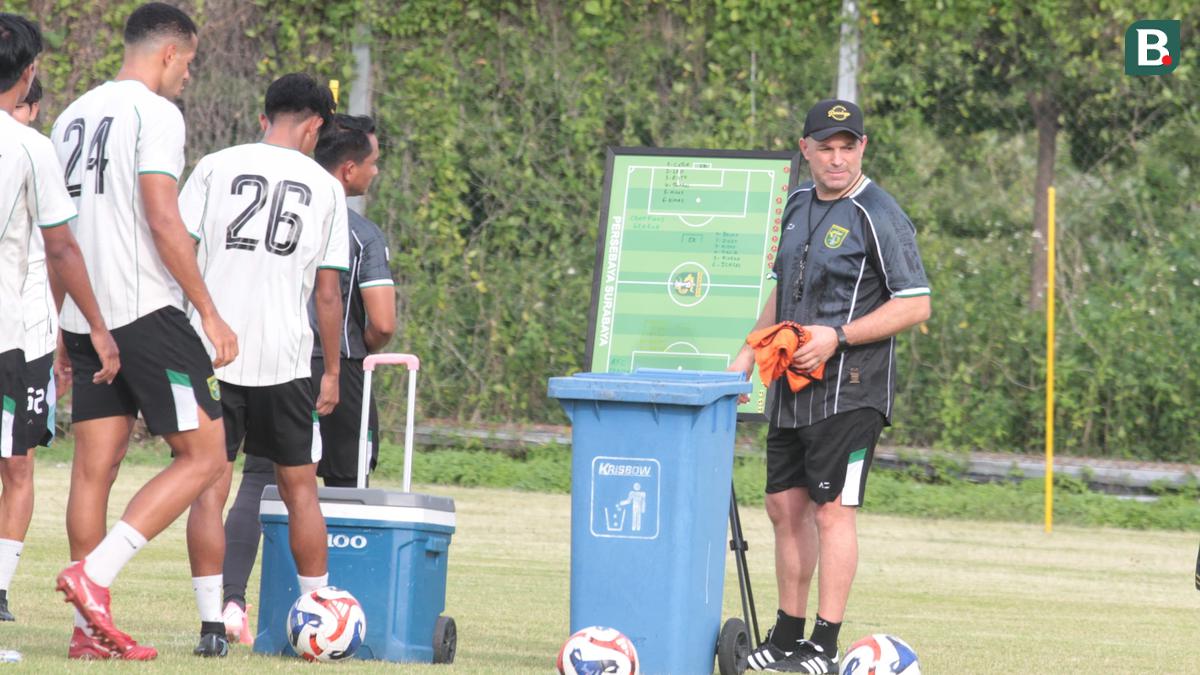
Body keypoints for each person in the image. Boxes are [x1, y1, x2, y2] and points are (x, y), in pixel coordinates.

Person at [49, 2, 238, 661]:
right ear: (168, 54)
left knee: (92, 470)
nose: (188, 75)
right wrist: (208, 309)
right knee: (207, 455)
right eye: (188, 62)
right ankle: (92, 577)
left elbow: (59, 235)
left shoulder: (70, 116)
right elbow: (162, 218)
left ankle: (87, 632)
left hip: (84, 315)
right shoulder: (156, 113)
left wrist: (61, 325)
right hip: (144, 313)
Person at [730, 99, 931, 674]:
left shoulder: (879, 212)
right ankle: (786, 635)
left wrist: (838, 336)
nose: (837, 158)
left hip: (853, 391)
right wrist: (748, 348)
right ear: (806, 151)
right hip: (791, 388)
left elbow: (916, 305)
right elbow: (782, 288)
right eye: (826, 147)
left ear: (862, 148)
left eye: (848, 146)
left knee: (831, 512)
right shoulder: (796, 204)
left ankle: (823, 643)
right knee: (783, 506)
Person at [178, 73, 348, 657]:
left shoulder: (213, 166)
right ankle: (321, 615)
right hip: (284, 359)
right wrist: (330, 372)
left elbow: (178, 248)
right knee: (300, 489)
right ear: (316, 126)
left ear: (262, 117)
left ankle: (209, 628)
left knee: (209, 487)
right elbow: (328, 293)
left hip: (211, 351)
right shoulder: (326, 189)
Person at [218, 112, 393, 645]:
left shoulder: (264, 197)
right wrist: (353, 354)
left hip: (269, 355)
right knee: (343, 487)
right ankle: (332, 609)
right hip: (332, 365)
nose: (376, 172)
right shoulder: (358, 232)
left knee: (258, 479)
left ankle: (230, 603)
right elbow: (381, 321)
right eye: (373, 162)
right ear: (345, 169)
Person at [0, 11, 120, 649]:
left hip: (21, 334)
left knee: (16, 464)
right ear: (28, 72)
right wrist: (97, 330)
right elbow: (64, 251)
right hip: (4, 340)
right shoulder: (26, 147)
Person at [0, 75, 49, 624]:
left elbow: (62, 248)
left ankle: (2, 586)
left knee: (18, 462)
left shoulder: (41, 158)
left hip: (31, 334)